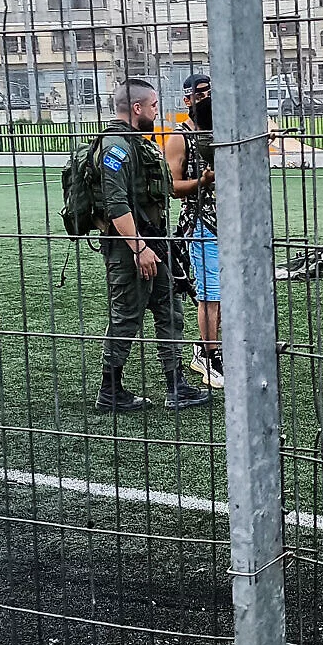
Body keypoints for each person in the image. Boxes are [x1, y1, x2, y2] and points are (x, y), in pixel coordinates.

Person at [94, 78, 211, 412]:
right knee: (126, 316)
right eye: (154, 106)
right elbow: (116, 204)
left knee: (169, 310)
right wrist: (139, 248)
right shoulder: (116, 146)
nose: (157, 111)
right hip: (130, 246)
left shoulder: (135, 141)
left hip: (154, 243)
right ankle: (110, 390)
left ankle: (177, 386)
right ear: (137, 108)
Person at [165, 74, 222, 389]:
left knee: (224, 292)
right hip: (201, 221)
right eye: (199, 93)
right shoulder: (180, 137)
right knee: (210, 293)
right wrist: (203, 181)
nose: (205, 97)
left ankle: (209, 346)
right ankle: (208, 354)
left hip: (229, 223)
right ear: (187, 100)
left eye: (209, 92)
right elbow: (172, 187)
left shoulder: (221, 130)